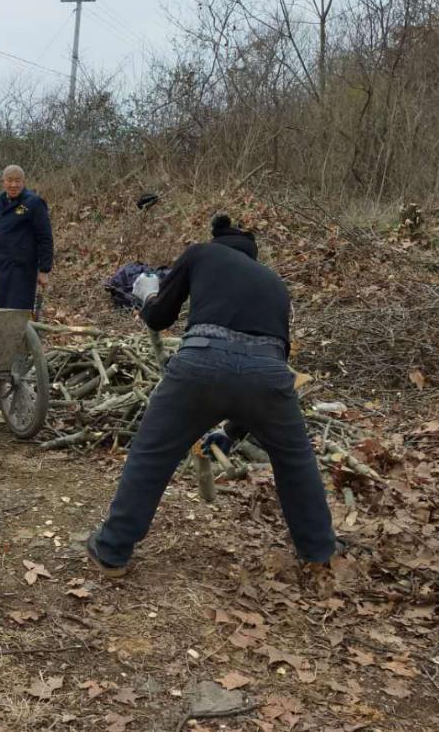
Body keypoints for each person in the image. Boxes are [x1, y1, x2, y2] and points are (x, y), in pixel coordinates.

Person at [87, 215, 338, 577]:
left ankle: (111, 551)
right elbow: (262, 369)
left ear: (219, 242)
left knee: (153, 452)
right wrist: (233, 431)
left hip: (200, 362)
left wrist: (147, 294)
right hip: (269, 373)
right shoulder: (275, 283)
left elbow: (159, 318)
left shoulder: (202, 254)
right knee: (296, 461)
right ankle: (319, 551)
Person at [0, 165, 53, 310]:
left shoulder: (34, 203)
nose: (14, 185)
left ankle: (20, 333)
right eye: (9, 180)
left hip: (21, 269)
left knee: (18, 311)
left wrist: (44, 270)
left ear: (23, 182)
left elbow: (45, 238)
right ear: (3, 181)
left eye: (18, 181)